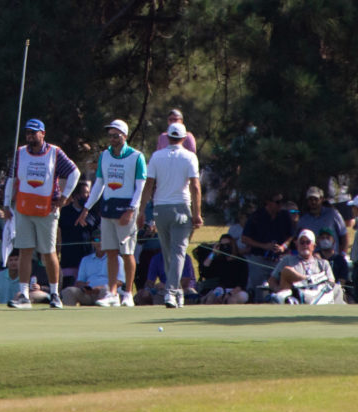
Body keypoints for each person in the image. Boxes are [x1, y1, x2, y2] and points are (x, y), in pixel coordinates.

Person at [4, 119, 81, 309]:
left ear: (43, 133)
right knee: (25, 251)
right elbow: (11, 179)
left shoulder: (54, 152)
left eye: (34, 132)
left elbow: (74, 173)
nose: (30, 136)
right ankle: (24, 295)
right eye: (28, 133)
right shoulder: (20, 153)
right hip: (23, 208)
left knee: (48, 252)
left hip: (47, 209)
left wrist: (64, 197)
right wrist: (6, 204)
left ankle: (55, 294)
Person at [77, 119, 147, 308]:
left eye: (116, 136)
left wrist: (132, 209)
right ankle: (112, 292)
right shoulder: (105, 156)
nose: (113, 139)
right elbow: (99, 183)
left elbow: (140, 187)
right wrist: (86, 209)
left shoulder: (136, 156)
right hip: (108, 210)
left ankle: (127, 293)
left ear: (124, 136)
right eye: (110, 136)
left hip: (126, 210)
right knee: (110, 252)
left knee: (127, 253)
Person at [137, 121, 202, 308]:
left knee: (168, 254)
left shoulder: (156, 156)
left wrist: (141, 212)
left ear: (168, 137)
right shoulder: (190, 157)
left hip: (160, 210)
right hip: (181, 207)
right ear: (183, 138)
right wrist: (197, 213)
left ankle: (176, 293)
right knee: (178, 253)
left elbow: (148, 186)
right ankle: (171, 293)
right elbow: (195, 187)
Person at [266, 229, 340, 304]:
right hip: (294, 298)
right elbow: (271, 280)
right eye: (302, 242)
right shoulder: (288, 260)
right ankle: (310, 280)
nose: (305, 245)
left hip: (316, 297)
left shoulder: (323, 263)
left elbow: (331, 282)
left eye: (308, 242)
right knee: (287, 271)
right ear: (297, 245)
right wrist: (279, 291)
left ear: (314, 246)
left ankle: (310, 281)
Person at [240, 193, 294, 294]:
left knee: (280, 290)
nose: (280, 205)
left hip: (278, 260)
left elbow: (291, 236)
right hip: (259, 260)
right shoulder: (256, 216)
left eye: (282, 202)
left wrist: (283, 246)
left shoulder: (285, 216)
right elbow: (245, 238)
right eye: (277, 202)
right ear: (268, 203)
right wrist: (264, 246)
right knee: (259, 291)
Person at [61, 229, 126, 307]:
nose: (100, 242)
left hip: (107, 293)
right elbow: (80, 281)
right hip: (88, 294)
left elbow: (120, 282)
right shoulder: (85, 260)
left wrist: (100, 288)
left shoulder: (117, 259)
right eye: (96, 239)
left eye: (103, 239)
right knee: (68, 291)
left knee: (105, 291)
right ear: (92, 242)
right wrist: (85, 287)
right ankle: (69, 317)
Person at [58, 179, 96, 287]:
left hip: (89, 259)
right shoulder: (64, 212)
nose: (88, 196)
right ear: (75, 195)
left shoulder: (92, 212)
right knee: (68, 291)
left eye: (89, 193)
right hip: (69, 260)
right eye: (85, 193)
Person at [195, 234, 249, 304]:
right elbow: (205, 271)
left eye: (228, 245)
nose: (225, 247)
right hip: (222, 289)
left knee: (231, 300)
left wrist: (229, 294)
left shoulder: (241, 261)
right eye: (222, 245)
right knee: (210, 299)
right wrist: (213, 253)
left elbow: (242, 284)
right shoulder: (220, 261)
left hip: (237, 290)